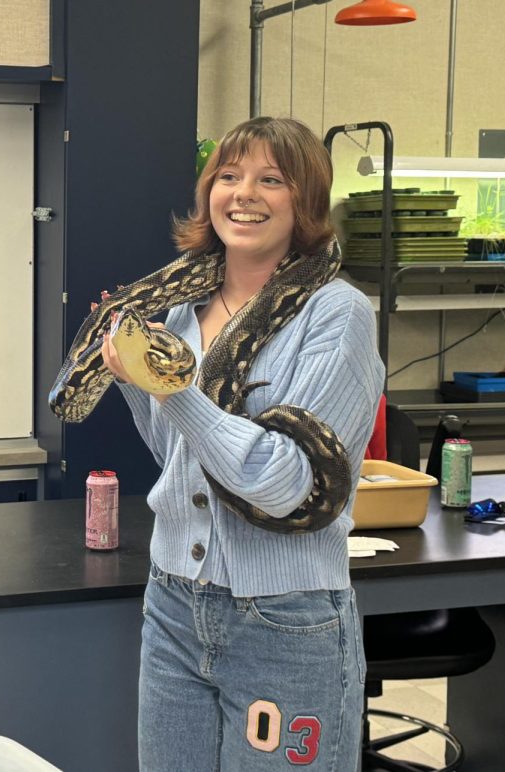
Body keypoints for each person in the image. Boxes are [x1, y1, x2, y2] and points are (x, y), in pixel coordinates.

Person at [101, 117, 384, 771]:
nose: (242, 193)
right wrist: (131, 381)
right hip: (174, 600)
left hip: (284, 617)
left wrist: (172, 388)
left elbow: (288, 482)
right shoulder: (182, 311)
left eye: (270, 179)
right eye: (227, 176)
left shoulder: (336, 314)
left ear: (305, 200)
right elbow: (177, 453)